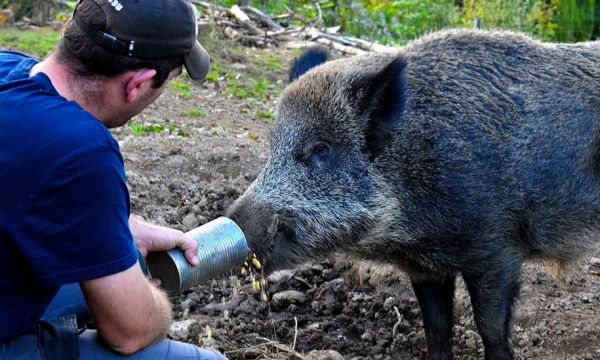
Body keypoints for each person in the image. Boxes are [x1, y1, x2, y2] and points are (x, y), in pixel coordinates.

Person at [0, 0, 227, 358]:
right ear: (137, 84)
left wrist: (119, 228)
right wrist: (153, 301)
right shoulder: (79, 149)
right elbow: (129, 333)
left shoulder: (7, 68)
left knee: (125, 259)